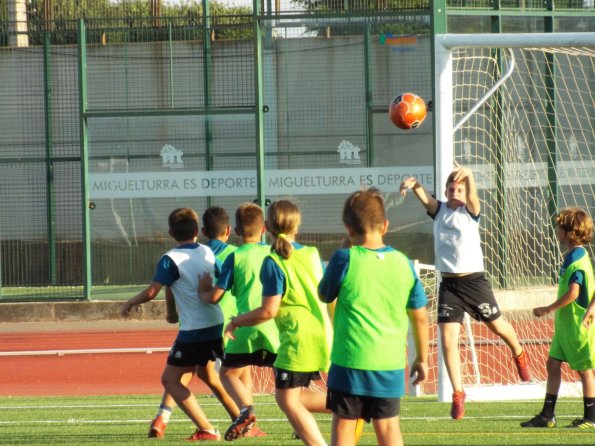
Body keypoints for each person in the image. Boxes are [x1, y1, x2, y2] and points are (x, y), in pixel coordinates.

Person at [400, 165, 532, 420]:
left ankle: (519, 352)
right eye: (451, 189)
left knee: (498, 326)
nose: (455, 193)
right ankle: (458, 394)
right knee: (448, 341)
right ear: (446, 191)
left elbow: (472, 194)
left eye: (459, 189)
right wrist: (412, 183)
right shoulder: (439, 211)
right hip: (449, 286)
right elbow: (423, 196)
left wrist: (468, 175)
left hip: (474, 282)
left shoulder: (470, 212)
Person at [319, 188, 429, 446]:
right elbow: (421, 317)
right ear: (386, 226)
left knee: (345, 428)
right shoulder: (403, 263)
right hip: (389, 363)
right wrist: (421, 358)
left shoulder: (344, 258)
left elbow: (325, 294)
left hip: (350, 361)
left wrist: (345, 248)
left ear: (348, 228)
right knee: (389, 429)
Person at [121, 207, 239, 441]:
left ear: (170, 232)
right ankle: (241, 417)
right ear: (197, 231)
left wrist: (129, 302)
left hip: (193, 329)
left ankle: (206, 428)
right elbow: (215, 280)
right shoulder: (206, 251)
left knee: (170, 379)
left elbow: (153, 290)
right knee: (208, 376)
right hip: (215, 322)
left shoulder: (170, 259)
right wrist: (175, 309)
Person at [222, 199, 333, 446]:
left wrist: (236, 321)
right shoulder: (312, 254)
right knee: (292, 399)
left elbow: (268, 310)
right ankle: (348, 406)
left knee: (287, 400)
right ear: (298, 224)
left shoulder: (273, 261)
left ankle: (350, 406)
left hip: (296, 337)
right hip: (320, 332)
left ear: (268, 228)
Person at [199, 202, 279, 440]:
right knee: (286, 378)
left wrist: (202, 291)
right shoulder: (273, 253)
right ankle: (300, 420)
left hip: (244, 328)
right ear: (264, 228)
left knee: (228, 373)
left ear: (234, 231)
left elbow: (215, 296)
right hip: (274, 328)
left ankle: (246, 410)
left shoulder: (235, 256)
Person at [521, 207, 595, 429]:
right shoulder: (573, 255)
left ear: (569, 231)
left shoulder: (577, 258)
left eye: (559, 227)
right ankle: (547, 415)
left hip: (577, 324)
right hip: (565, 326)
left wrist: (547, 308)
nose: (556, 231)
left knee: (584, 370)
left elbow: (574, 292)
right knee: (553, 364)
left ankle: (591, 418)